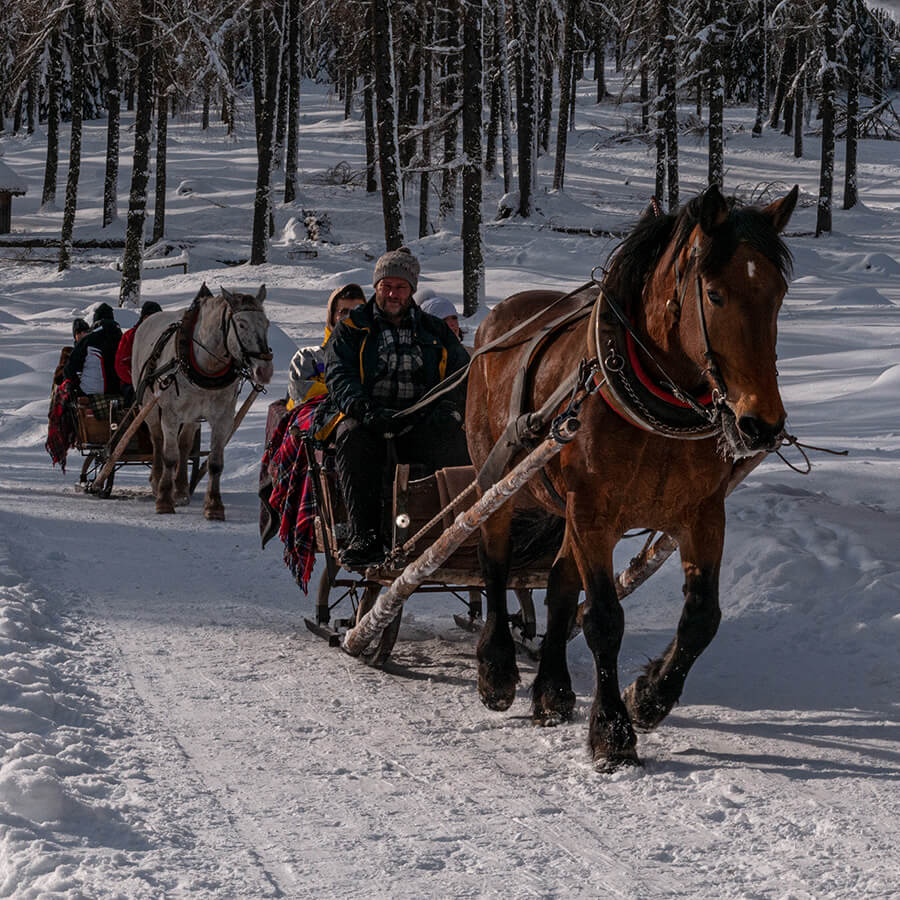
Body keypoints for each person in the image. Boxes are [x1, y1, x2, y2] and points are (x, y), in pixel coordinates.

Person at [322, 246, 470, 568]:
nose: (392, 293)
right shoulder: (351, 329)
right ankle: (366, 536)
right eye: (386, 286)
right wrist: (364, 410)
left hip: (420, 420)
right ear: (375, 287)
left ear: (411, 290)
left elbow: (461, 373)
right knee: (351, 438)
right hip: (369, 419)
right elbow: (339, 375)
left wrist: (449, 411)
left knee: (458, 444)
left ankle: (456, 531)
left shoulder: (435, 330)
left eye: (400, 287)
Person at [287, 283, 365, 409]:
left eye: (357, 311)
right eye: (344, 312)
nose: (352, 317)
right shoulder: (308, 357)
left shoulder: (375, 356)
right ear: (332, 317)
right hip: (317, 423)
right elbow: (301, 392)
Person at [64, 303, 123, 397]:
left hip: (91, 393)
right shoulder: (123, 339)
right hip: (119, 392)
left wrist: (72, 384)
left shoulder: (88, 340)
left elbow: (70, 368)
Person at [115, 300, 163, 406]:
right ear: (144, 318)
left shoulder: (163, 337)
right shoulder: (130, 336)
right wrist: (137, 381)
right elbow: (121, 365)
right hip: (133, 383)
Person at [52, 318, 90, 395]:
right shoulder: (68, 352)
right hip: (74, 388)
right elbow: (58, 378)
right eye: (78, 332)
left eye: (85, 331)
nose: (82, 334)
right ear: (75, 335)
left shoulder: (92, 350)